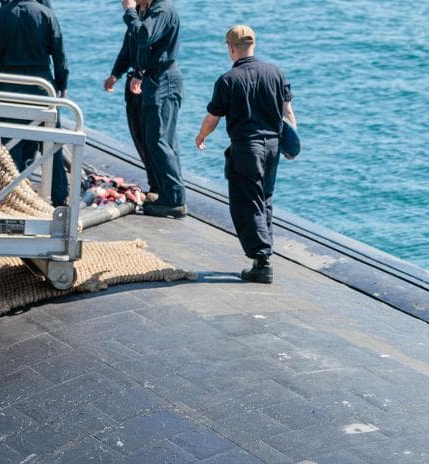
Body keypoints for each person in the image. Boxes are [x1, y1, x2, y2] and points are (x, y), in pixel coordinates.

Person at [193, 25, 295, 284]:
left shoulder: (228, 80)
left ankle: (262, 261)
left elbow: (213, 117)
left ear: (230, 49)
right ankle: (263, 255)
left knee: (246, 203)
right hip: (272, 146)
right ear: (254, 45)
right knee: (264, 198)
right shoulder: (276, 73)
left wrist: (201, 136)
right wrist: (292, 146)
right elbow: (288, 114)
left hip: (247, 147)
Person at [0, 0, 68, 205]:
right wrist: (62, 85)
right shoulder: (46, 14)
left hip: (11, 86)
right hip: (42, 87)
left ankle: (13, 197)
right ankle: (59, 196)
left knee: (12, 145)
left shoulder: (0, 16)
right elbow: (59, 55)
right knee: (51, 142)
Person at [121, 0, 185, 218]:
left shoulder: (162, 10)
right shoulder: (149, 10)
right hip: (154, 78)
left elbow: (143, 36)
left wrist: (130, 12)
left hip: (164, 79)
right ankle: (165, 191)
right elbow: (135, 46)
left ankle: (175, 199)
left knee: (159, 140)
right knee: (156, 139)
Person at [103, 0, 156, 199]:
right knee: (138, 135)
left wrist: (130, 11)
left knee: (151, 137)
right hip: (133, 81)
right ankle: (154, 183)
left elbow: (148, 43)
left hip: (146, 83)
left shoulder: (154, 15)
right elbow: (128, 48)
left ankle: (159, 187)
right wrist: (115, 74)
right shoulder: (138, 16)